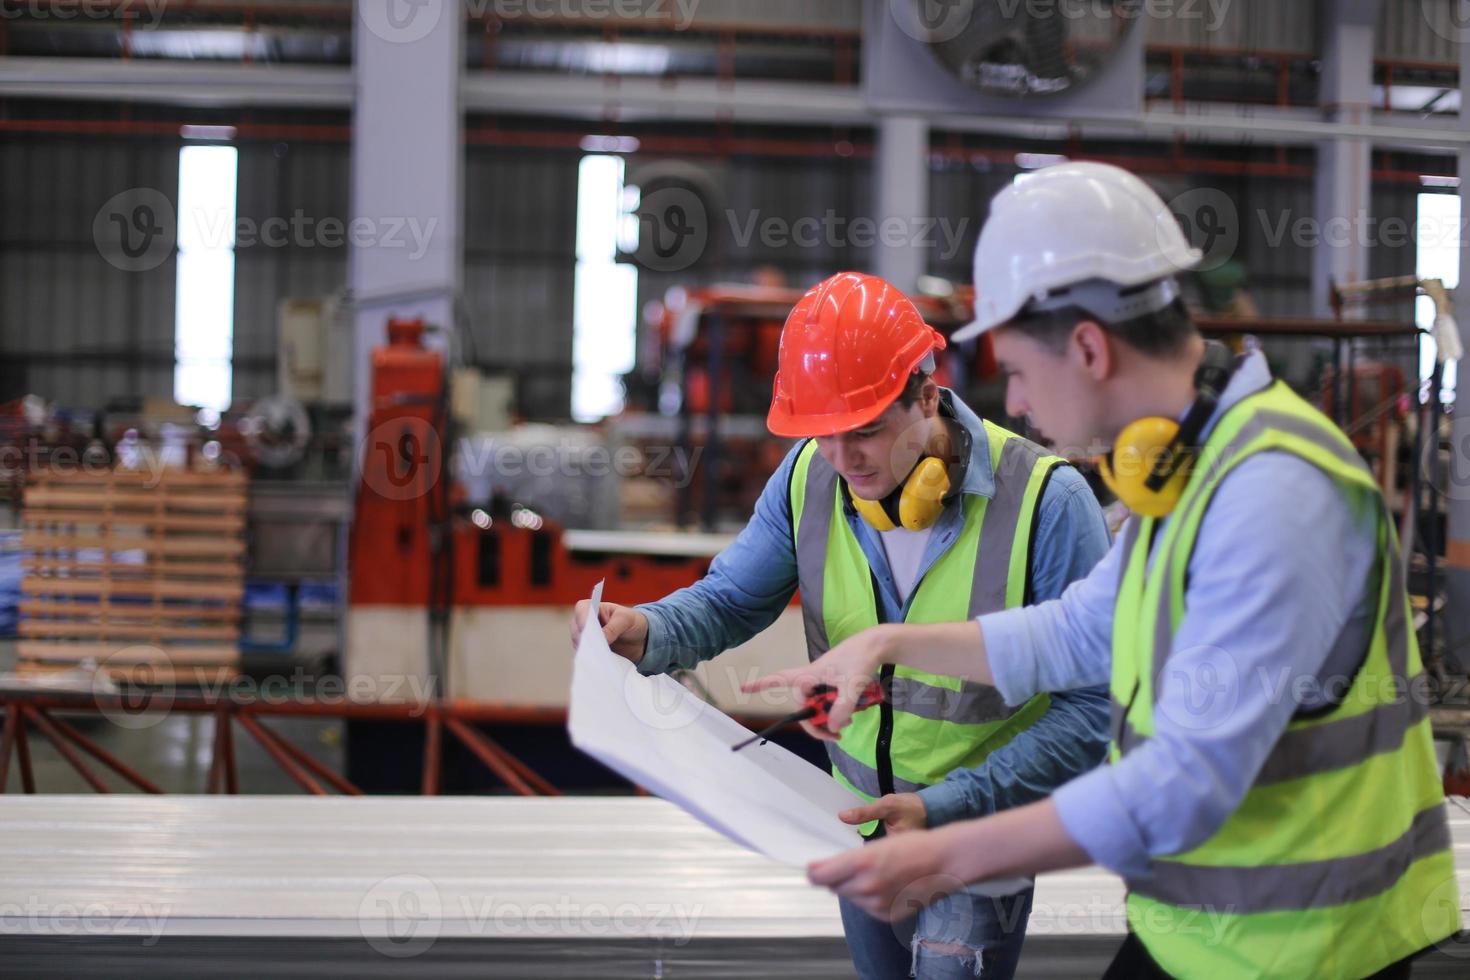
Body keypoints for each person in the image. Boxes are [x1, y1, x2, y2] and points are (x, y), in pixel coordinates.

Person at [745, 163, 1464, 979]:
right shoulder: (1193, 465)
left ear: (1087, 347)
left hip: (1309, 946)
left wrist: (951, 845)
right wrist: (884, 642)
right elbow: (1085, 629)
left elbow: (1181, 785)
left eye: (1016, 370)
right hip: (1206, 928)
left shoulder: (1276, 491)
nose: (1013, 405)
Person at [572, 270, 1112, 979]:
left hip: (979, 828)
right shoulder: (808, 479)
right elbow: (733, 598)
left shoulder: (1046, 503)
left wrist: (950, 803)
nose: (842, 459)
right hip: (853, 820)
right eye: (821, 435)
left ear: (927, 394)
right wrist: (644, 629)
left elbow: (1093, 709)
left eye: (864, 431)